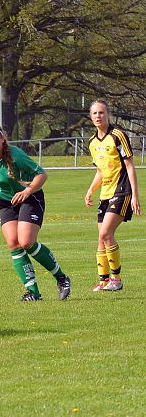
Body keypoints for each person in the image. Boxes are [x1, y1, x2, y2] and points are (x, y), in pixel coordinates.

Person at [0, 122, 71, 301]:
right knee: (14, 243)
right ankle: (33, 293)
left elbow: (41, 175)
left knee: (26, 242)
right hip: (7, 201)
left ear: (3, 139)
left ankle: (62, 278)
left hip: (31, 198)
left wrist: (26, 191)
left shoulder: (16, 155)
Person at [85, 100, 141, 290]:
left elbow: (130, 166)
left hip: (122, 190)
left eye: (101, 112)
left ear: (108, 115)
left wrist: (134, 195)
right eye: (95, 113)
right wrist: (91, 190)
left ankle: (116, 279)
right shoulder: (92, 142)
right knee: (101, 238)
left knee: (105, 232)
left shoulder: (118, 136)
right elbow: (100, 171)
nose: (98, 116)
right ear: (90, 117)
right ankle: (104, 281)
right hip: (105, 193)